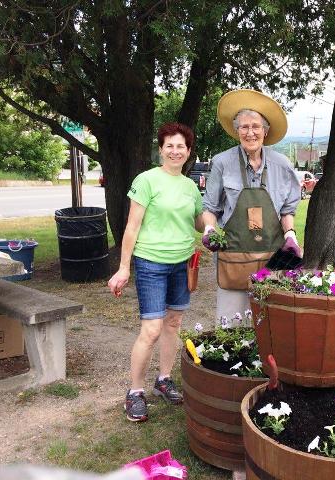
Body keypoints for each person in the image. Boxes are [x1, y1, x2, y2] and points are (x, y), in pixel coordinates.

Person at [108, 123, 204, 422]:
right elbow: (132, 226)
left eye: (182, 147)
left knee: (173, 323)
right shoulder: (146, 180)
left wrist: (214, 228)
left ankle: (163, 380)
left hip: (182, 263)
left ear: (189, 152)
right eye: (170, 146)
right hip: (150, 262)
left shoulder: (190, 186)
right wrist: (124, 267)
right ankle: (135, 392)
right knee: (151, 330)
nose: (176, 151)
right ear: (161, 149)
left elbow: (199, 221)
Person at [201, 89, 301, 321]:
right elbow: (210, 207)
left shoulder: (282, 165)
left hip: (273, 260)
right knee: (231, 327)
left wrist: (291, 235)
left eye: (256, 126)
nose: (250, 132)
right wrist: (209, 228)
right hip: (234, 258)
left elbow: (287, 209)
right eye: (244, 127)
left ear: (265, 131)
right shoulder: (221, 162)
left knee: (270, 326)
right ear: (237, 131)